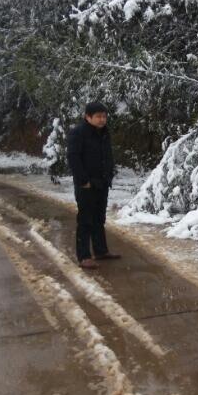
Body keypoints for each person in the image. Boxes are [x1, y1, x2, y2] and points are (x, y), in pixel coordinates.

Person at [66, 101, 122, 269]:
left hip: (102, 183)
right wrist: (84, 181)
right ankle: (84, 256)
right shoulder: (78, 133)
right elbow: (73, 157)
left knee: (99, 218)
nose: (102, 119)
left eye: (104, 116)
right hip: (86, 185)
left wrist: (109, 175)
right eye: (98, 116)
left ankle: (101, 251)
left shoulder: (104, 133)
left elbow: (107, 155)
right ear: (87, 117)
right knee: (85, 220)